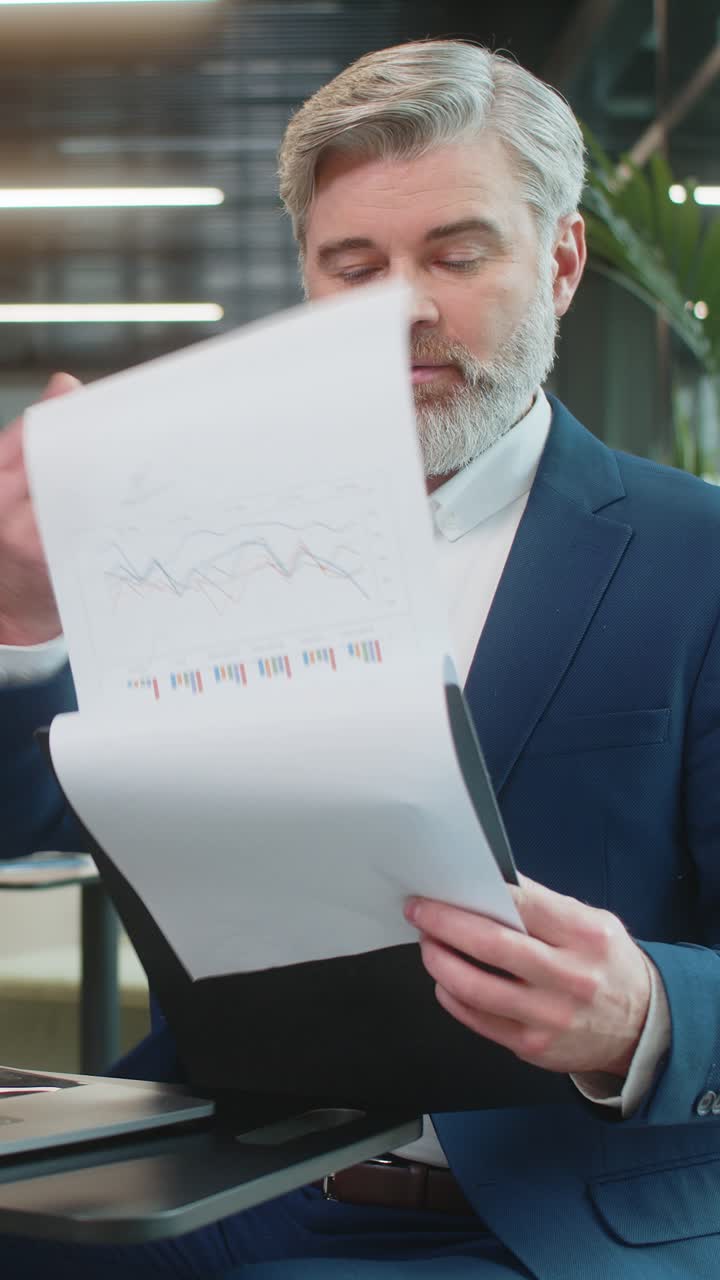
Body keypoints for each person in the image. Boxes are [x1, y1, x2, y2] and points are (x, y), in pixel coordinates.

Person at [1, 37, 720, 1280]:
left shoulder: (695, 556)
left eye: (458, 252)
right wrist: (24, 620)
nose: (407, 306)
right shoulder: (184, 537)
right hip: (194, 1188)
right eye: (356, 264)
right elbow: (23, 833)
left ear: (559, 261)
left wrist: (646, 1011)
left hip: (525, 1222)